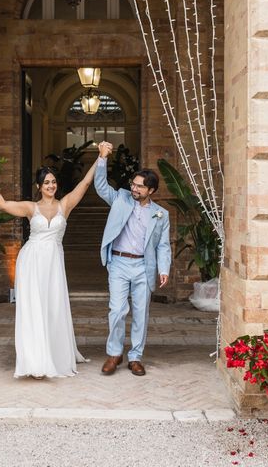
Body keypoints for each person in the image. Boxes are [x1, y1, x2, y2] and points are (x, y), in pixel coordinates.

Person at [0, 159, 99, 378]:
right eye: (46, 183)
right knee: (34, 309)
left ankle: (54, 355)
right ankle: (35, 362)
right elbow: (3, 205)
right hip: (32, 262)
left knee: (53, 307)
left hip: (53, 264)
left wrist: (101, 158)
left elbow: (85, 182)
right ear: (39, 187)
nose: (51, 186)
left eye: (53, 182)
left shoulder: (65, 205)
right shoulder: (30, 208)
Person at [94, 141, 172, 376]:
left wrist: (164, 269)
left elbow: (163, 245)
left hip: (143, 266)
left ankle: (135, 356)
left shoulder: (161, 214)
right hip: (118, 263)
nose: (135, 189)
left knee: (141, 313)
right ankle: (114, 353)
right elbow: (100, 186)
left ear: (151, 191)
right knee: (117, 310)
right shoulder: (120, 198)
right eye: (134, 184)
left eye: (140, 187)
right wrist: (102, 158)